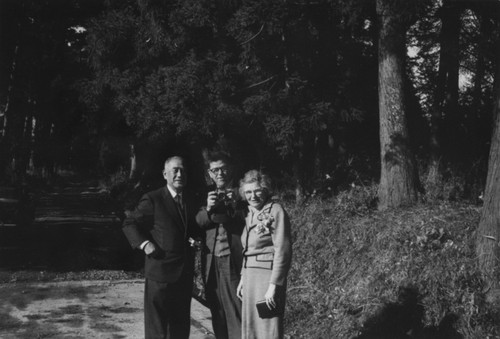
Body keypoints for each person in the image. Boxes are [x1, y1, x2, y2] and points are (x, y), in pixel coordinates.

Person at [122, 156, 201, 339]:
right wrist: (145, 244)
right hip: (160, 274)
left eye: (183, 170)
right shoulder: (153, 199)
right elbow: (129, 223)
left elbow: (191, 229)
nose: (179, 174)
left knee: (180, 328)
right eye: (175, 170)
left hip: (184, 275)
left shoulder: (190, 200)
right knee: (157, 330)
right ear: (165, 174)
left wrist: (196, 240)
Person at [236, 170, 292, 339]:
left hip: (266, 277)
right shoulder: (250, 213)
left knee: (267, 327)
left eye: (257, 191)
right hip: (250, 277)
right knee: (252, 327)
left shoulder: (275, 211)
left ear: (266, 190)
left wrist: (274, 286)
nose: (252, 196)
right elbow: (248, 250)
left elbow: (283, 250)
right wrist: (242, 278)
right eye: (248, 192)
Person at [195, 152, 244, 339]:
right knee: (217, 310)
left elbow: (248, 219)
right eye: (215, 170)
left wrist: (235, 204)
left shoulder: (242, 192)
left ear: (230, 168)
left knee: (235, 309)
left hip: (233, 258)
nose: (220, 173)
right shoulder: (205, 194)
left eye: (223, 168)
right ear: (209, 173)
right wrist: (208, 209)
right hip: (211, 260)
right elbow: (198, 221)